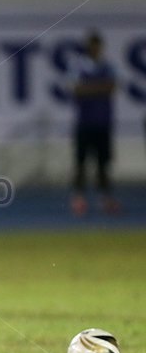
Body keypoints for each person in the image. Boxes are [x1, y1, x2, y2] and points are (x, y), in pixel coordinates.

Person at [69, 31, 120, 216]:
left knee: (103, 164)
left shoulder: (107, 66)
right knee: (81, 164)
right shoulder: (80, 66)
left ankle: (105, 198)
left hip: (103, 122)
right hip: (85, 123)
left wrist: (88, 88)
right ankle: (79, 199)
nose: (95, 49)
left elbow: (113, 86)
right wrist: (100, 87)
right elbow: (76, 89)